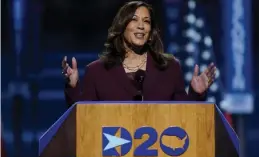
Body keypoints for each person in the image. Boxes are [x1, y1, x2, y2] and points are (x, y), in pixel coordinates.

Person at [62, 1, 216, 107]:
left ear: (151, 33)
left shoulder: (170, 68)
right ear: (122, 26)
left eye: (146, 21)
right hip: (113, 152)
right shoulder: (97, 72)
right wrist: (73, 86)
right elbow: (83, 119)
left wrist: (196, 94)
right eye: (134, 20)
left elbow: (183, 116)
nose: (141, 26)